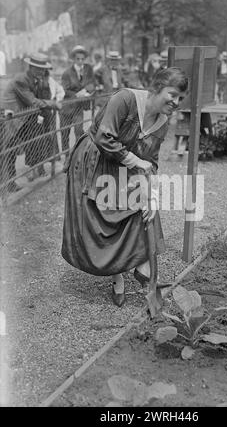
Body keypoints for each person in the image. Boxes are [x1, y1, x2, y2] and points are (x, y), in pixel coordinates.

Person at [61, 67, 188, 307]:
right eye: (172, 94)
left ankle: (144, 270)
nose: (176, 102)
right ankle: (117, 278)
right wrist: (135, 161)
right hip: (93, 160)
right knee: (105, 219)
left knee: (140, 208)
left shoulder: (162, 122)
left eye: (181, 98)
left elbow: (151, 162)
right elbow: (104, 137)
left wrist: (151, 196)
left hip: (121, 162)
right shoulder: (126, 99)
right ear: (157, 88)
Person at [1, 53, 61, 192]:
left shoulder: (36, 79)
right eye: (38, 68)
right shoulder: (20, 80)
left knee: (30, 143)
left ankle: (23, 176)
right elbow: (32, 101)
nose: (42, 71)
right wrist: (53, 104)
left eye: (43, 69)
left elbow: (39, 99)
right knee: (8, 151)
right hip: (9, 118)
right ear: (31, 67)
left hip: (22, 118)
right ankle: (7, 185)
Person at [61, 45, 95, 157]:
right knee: (65, 133)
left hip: (79, 107)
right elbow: (65, 90)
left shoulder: (88, 69)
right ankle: (66, 156)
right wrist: (76, 95)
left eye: (82, 59)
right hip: (67, 107)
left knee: (79, 131)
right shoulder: (67, 73)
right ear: (74, 59)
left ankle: (77, 155)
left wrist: (85, 90)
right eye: (78, 59)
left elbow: (92, 83)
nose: (80, 61)